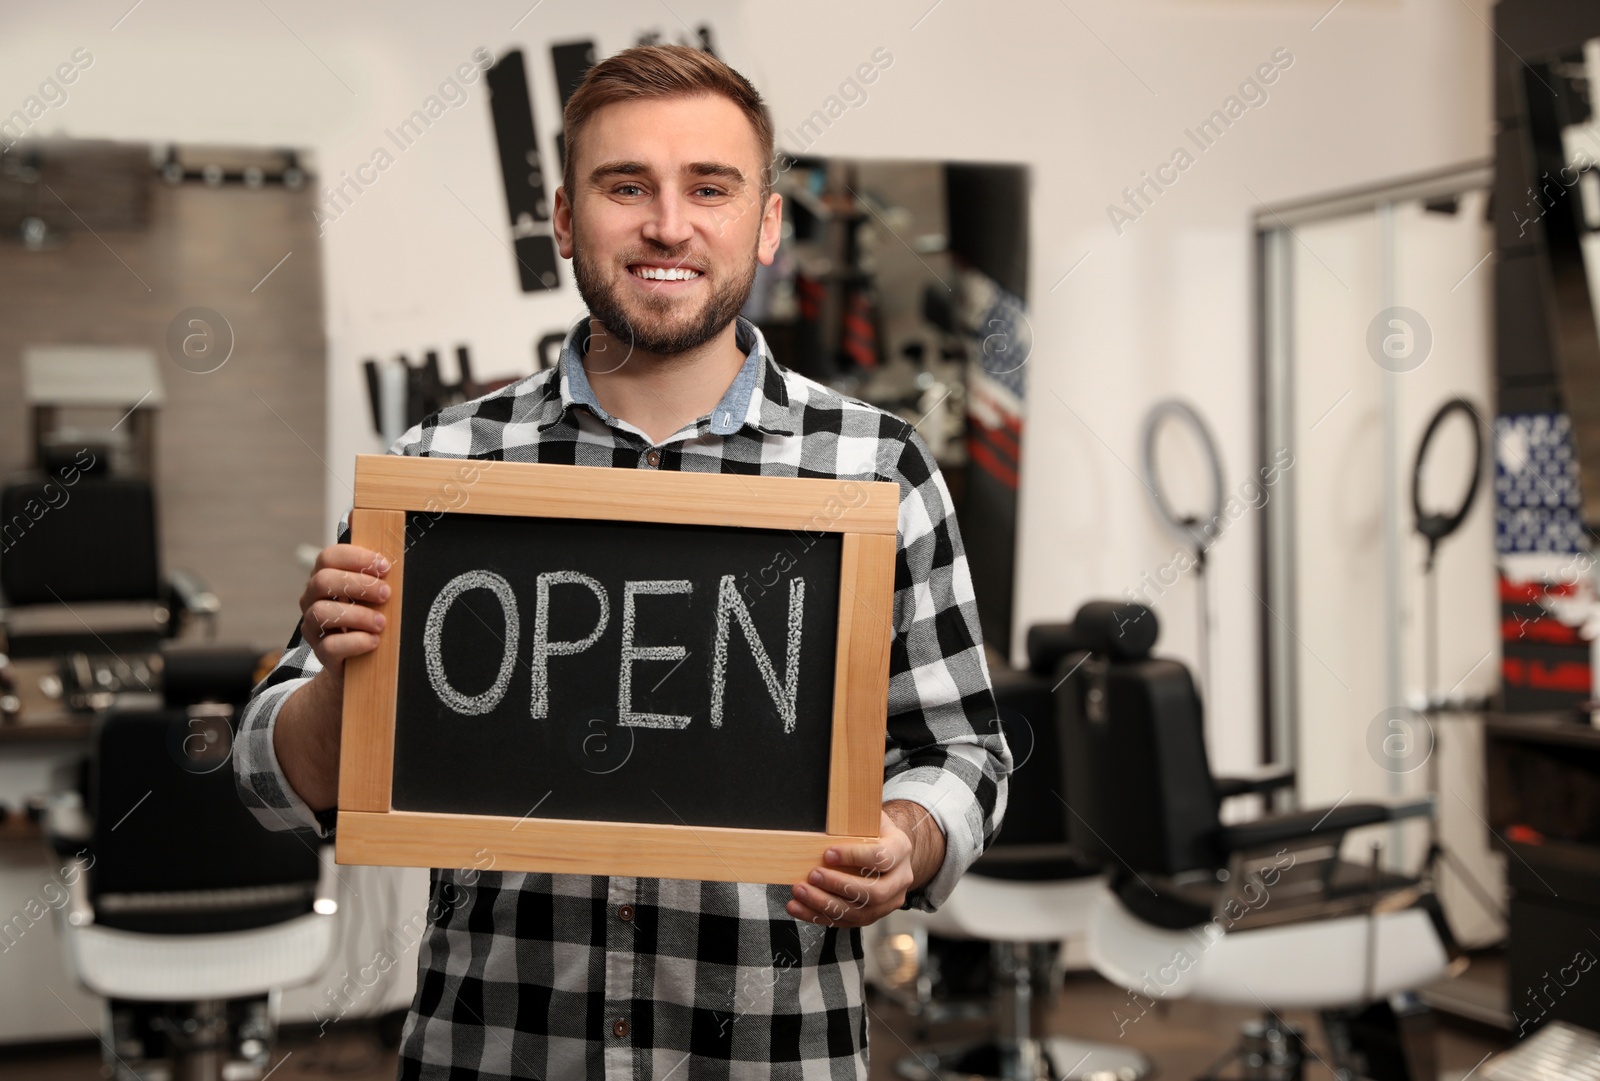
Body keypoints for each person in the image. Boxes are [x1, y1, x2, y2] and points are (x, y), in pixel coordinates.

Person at [235, 43, 1009, 1080]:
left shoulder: (878, 468)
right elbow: (268, 781)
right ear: (564, 217)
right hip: (496, 1052)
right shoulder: (443, 467)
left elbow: (964, 753)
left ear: (766, 224)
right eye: (625, 185)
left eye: (710, 187)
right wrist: (342, 683)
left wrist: (906, 840)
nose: (668, 224)